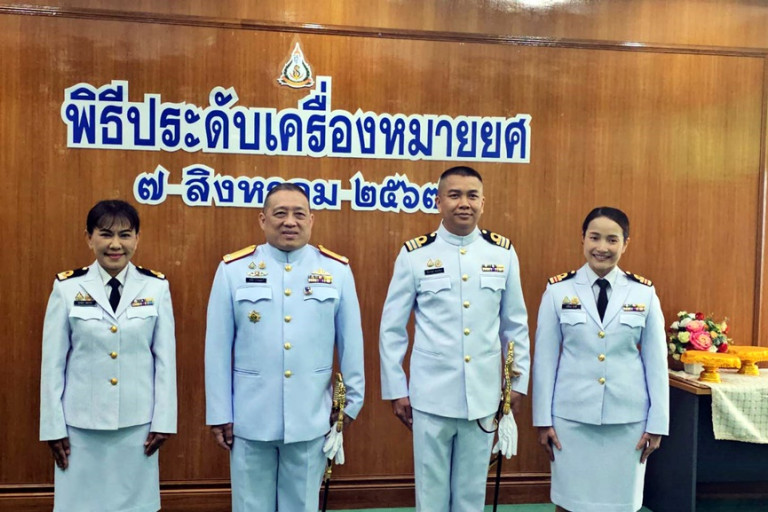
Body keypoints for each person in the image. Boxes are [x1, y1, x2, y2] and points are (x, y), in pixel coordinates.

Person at [205, 182, 365, 512]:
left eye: (298, 214)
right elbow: (217, 348)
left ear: (311, 220)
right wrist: (219, 412)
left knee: (302, 505)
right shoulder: (233, 270)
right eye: (280, 213)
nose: (289, 221)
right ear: (263, 220)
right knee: (250, 506)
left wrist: (351, 403)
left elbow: (351, 342)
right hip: (250, 417)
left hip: (311, 414)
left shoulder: (336, 270)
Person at [379, 166, 530, 511]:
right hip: (430, 396)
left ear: (483, 202)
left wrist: (517, 384)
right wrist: (396, 389)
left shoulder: (502, 253)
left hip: (483, 395)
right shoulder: (415, 255)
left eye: (472, 195)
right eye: (455, 195)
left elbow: (515, 325)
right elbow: (392, 328)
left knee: (471, 493)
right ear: (438, 201)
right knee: (430, 492)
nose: (464, 203)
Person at [39, 199, 177, 512]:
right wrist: (53, 427)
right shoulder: (67, 288)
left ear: (137, 239)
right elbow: (53, 365)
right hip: (79, 428)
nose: (116, 244)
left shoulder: (156, 287)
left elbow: (165, 362)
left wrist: (164, 421)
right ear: (89, 238)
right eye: (105, 234)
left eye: (125, 235)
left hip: (138, 426)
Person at [532, 206, 669, 512]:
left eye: (612, 240)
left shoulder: (643, 293)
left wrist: (658, 422)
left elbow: (656, 364)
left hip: (628, 422)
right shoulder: (558, 291)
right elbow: (545, 361)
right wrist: (543, 420)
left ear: (625, 244)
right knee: (570, 503)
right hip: (571, 420)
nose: (602, 247)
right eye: (594, 237)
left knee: (621, 505)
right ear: (582, 239)